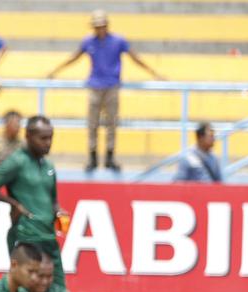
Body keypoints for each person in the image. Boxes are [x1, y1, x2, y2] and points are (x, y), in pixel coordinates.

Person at [47, 10, 164, 172]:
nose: (99, 29)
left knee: (112, 124)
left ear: (106, 26)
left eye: (101, 26)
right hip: (95, 86)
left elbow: (134, 57)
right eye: (97, 26)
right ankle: (92, 157)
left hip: (112, 86)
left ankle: (110, 157)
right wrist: (56, 70)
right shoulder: (88, 42)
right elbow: (74, 57)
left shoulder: (118, 41)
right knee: (92, 124)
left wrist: (153, 73)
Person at [0, 115, 68, 286]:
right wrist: (14, 203)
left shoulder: (49, 166)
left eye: (50, 137)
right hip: (26, 236)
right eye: (43, 138)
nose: (48, 142)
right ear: (28, 136)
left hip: (48, 237)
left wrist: (58, 211)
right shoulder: (17, 161)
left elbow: (53, 200)